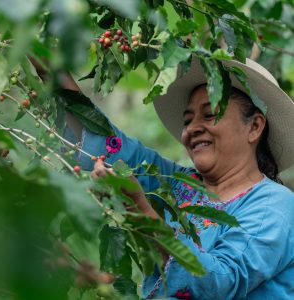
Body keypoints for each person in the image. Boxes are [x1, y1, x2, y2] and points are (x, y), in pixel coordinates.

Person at [38, 56, 294, 298]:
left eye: (209, 114)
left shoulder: (275, 205)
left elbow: (219, 284)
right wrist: (49, 69)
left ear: (255, 127)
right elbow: (113, 146)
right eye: (187, 120)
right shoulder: (180, 185)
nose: (192, 128)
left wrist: (141, 212)